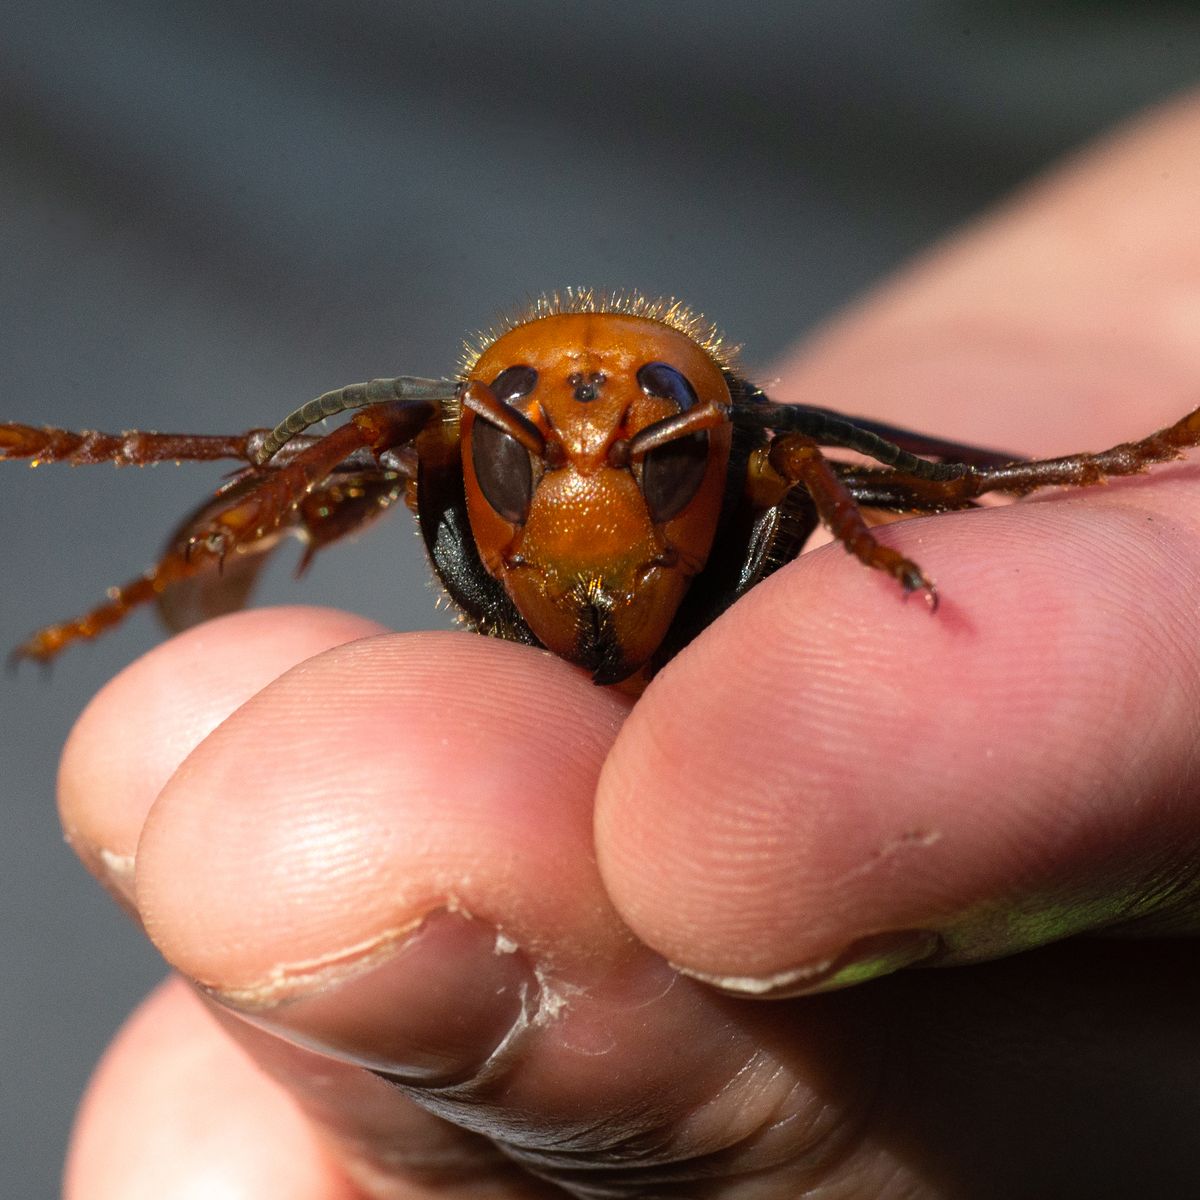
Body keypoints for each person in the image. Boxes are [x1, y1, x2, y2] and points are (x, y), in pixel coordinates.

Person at [61, 93, 1200, 1198]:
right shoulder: (417, 448)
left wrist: (1054, 477)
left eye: (655, 463)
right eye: (526, 465)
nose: (584, 515)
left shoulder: (772, 456)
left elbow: (911, 475)